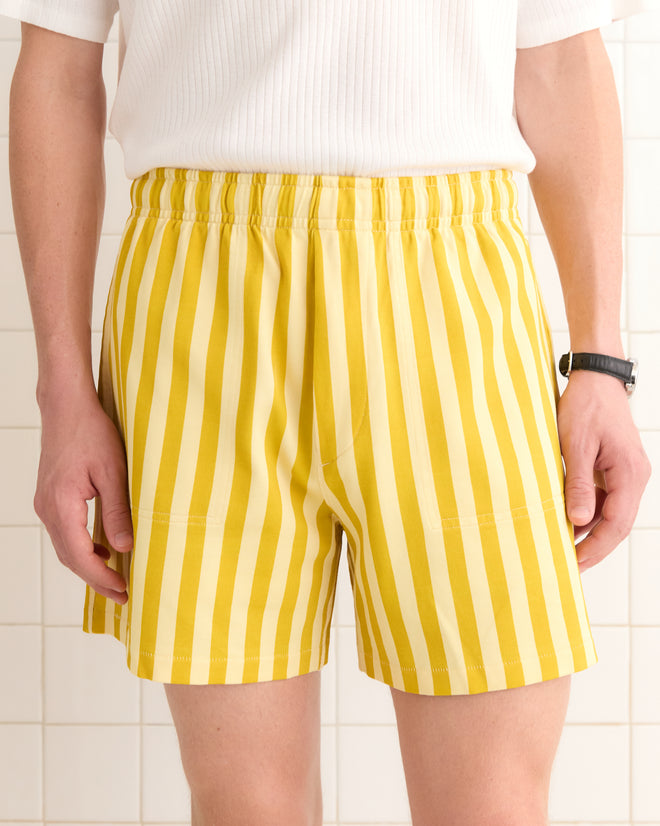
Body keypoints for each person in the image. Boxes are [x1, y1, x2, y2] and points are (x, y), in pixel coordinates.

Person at [2, 0, 652, 823]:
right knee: (246, 809)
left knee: (493, 805)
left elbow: (559, 55)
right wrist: (62, 391)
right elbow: (58, 68)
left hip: (450, 291)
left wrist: (600, 362)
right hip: (202, 296)